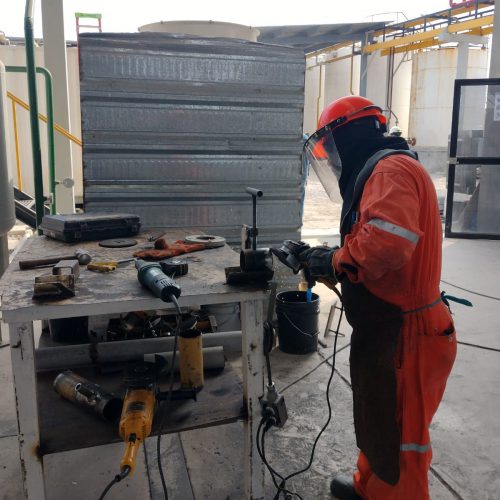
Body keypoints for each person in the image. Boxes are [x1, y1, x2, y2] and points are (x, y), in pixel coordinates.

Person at [299, 96, 457, 499]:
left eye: (331, 147)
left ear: (347, 136)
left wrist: (335, 260)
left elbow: (387, 245)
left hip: (409, 332)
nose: (332, 159)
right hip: (387, 326)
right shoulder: (380, 170)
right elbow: (370, 237)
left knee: (401, 443)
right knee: (379, 421)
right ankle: (368, 487)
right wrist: (328, 259)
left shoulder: (391, 170)